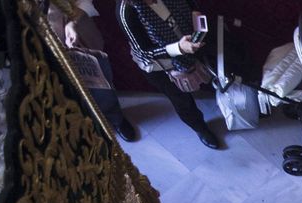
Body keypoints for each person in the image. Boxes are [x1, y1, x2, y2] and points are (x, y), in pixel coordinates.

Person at [117, 0, 222, 148]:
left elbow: (190, 3)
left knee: (212, 69)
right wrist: (179, 48)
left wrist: (196, 17)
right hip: (161, 65)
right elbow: (144, 52)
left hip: (188, 39)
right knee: (181, 100)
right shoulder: (127, 11)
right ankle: (200, 128)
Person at [47, 0, 139, 141]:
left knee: (101, 85)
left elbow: (84, 3)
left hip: (81, 40)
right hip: (50, 55)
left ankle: (116, 118)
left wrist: (72, 23)